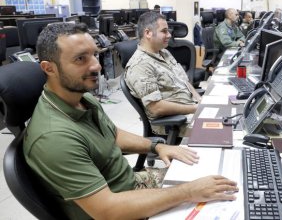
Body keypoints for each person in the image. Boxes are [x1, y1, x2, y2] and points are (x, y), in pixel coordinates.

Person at [23, 22, 238, 219]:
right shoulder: (54, 138)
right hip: (120, 209)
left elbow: (112, 134)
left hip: (132, 185)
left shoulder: (82, 98)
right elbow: (107, 210)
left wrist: (157, 145)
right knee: (219, 205)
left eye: (94, 55)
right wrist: (188, 192)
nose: (97, 66)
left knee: (220, 179)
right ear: (48, 68)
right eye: (81, 59)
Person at [125, 12, 201, 136]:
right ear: (148, 33)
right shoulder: (141, 65)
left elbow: (184, 81)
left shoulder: (164, 53)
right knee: (223, 132)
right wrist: (195, 109)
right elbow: (156, 108)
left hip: (189, 111)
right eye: (164, 31)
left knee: (228, 120)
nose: (169, 35)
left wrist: (199, 99)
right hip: (173, 125)